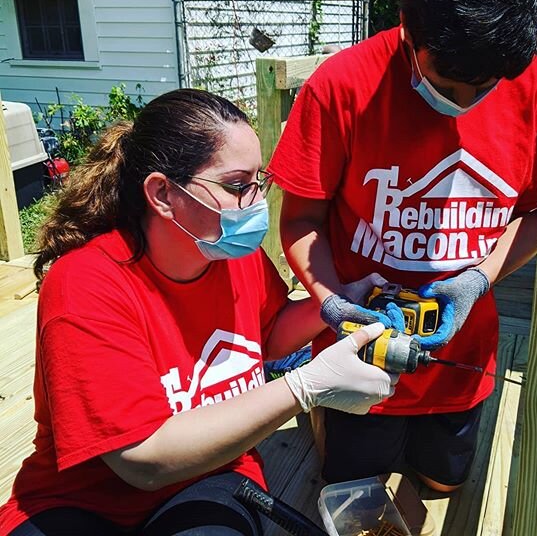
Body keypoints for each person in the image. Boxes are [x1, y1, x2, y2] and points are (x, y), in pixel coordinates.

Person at [268, 0, 537, 493]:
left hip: (463, 354)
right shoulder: (342, 87)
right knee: (352, 488)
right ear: (408, 25)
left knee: (441, 485)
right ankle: (325, 421)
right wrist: (332, 302)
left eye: (483, 88)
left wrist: (478, 278)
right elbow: (301, 218)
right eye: (445, 83)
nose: (463, 100)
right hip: (360, 349)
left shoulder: (532, 86)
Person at [0, 89, 399, 536]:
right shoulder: (87, 283)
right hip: (81, 499)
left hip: (212, 474)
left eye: (258, 182)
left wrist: (336, 305)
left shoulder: (235, 258)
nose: (256, 202)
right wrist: (305, 388)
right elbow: (142, 461)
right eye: (235, 186)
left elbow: (265, 336)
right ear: (162, 193)